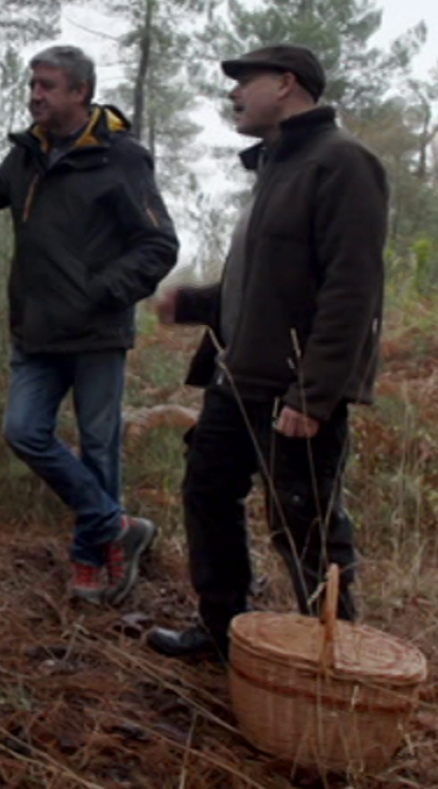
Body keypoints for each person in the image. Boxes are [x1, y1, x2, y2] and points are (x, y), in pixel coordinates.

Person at [145, 43, 388, 662]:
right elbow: (266, 284)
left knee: (304, 523)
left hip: (292, 390)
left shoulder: (343, 162)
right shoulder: (275, 167)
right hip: (235, 379)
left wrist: (314, 394)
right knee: (207, 495)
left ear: (285, 83)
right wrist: (194, 303)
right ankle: (222, 633)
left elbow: (352, 290)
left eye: (244, 81)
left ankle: (334, 658)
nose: (233, 94)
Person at [0, 45, 179, 605]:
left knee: (99, 449)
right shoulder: (29, 154)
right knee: (24, 432)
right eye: (32, 84)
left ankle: (91, 560)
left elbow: (159, 244)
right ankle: (116, 527)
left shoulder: (121, 157)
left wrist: (98, 293)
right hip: (36, 332)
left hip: (96, 334)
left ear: (80, 92)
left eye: (47, 86)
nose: (35, 95)